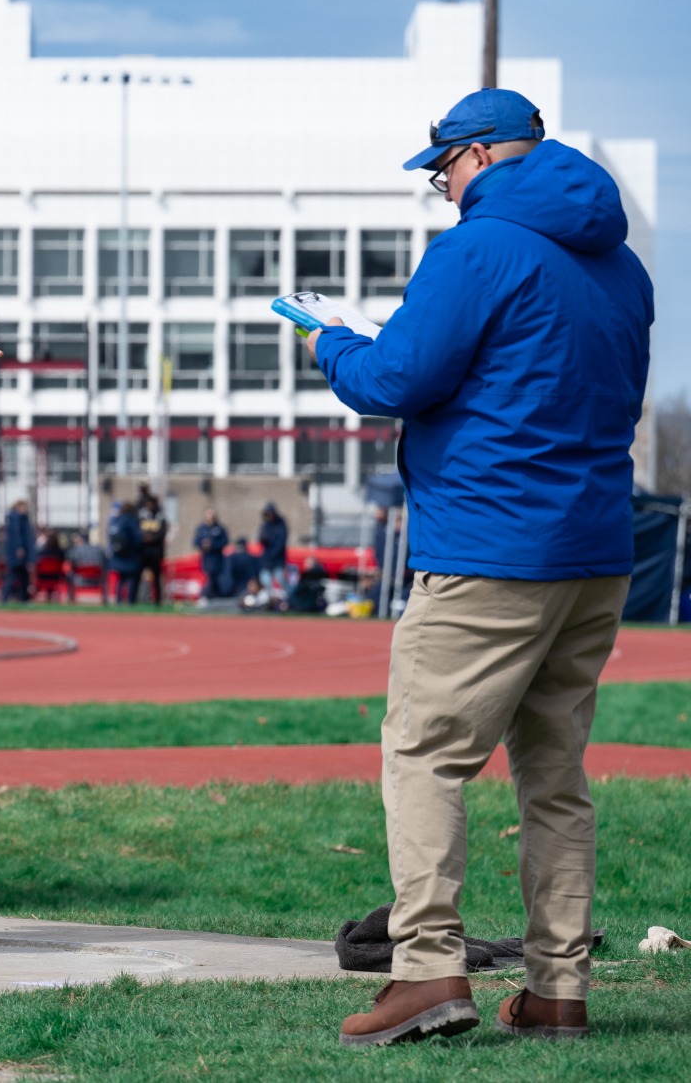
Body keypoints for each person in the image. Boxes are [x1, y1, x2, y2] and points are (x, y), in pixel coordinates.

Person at [312, 88, 651, 1045]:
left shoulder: (476, 247)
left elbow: (393, 380)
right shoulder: (620, 262)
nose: (442, 190)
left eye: (442, 171)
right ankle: (558, 987)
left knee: (426, 754)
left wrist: (328, 339)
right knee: (554, 771)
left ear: (478, 155)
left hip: (491, 543)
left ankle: (426, 974)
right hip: (594, 548)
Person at [135, 492, 169, 605]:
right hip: (143, 552)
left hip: (155, 552)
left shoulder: (160, 516)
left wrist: (152, 537)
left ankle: (158, 601)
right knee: (137, 575)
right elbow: (136, 530)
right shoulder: (141, 514)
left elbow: (162, 532)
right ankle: (135, 600)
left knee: (156, 576)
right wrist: (143, 537)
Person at [106, 501, 141, 605]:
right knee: (131, 579)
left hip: (118, 554)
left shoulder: (116, 520)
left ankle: (118, 600)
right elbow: (137, 538)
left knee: (121, 579)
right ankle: (130, 601)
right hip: (130, 554)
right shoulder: (132, 521)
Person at [194, 509, 230, 601]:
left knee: (218, 580)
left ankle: (217, 599)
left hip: (218, 560)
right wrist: (203, 544)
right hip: (206, 559)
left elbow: (225, 542)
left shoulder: (220, 528)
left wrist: (212, 545)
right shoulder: (201, 529)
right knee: (208, 579)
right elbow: (195, 542)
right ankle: (207, 598)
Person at [1, 499, 34, 601]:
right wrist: (20, 547)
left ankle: (23, 598)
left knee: (23, 575)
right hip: (18, 552)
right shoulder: (17, 518)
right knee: (13, 575)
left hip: (17, 551)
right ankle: (5, 597)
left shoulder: (15, 518)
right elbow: (17, 534)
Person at [258, 502, 290, 595]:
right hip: (267, 560)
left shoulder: (280, 524)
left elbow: (281, 542)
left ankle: (286, 601)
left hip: (278, 559)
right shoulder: (265, 525)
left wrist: (274, 553)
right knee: (266, 582)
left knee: (281, 581)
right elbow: (260, 539)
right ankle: (269, 601)